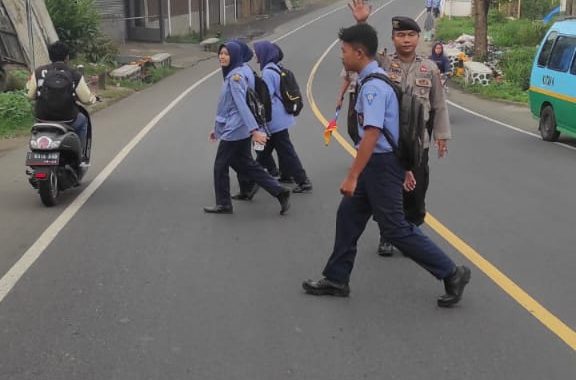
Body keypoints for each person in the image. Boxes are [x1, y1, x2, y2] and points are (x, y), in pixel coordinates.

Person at [301, 23, 470, 308]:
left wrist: (353, 175)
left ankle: (452, 273)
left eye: (344, 52)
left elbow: (373, 133)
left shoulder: (374, 88)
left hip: (378, 166)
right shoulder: (376, 78)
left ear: (358, 52)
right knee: (348, 217)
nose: (342, 57)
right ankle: (336, 278)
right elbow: (394, 130)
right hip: (380, 164)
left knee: (395, 228)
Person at [349, 1, 452, 257]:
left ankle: (412, 233)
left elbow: (438, 105)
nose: (406, 40)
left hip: (417, 143)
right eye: (400, 35)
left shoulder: (430, 68)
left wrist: (441, 136)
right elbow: (364, 50)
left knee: (416, 195)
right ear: (393, 38)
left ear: (418, 38)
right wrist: (362, 22)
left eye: (410, 35)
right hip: (391, 143)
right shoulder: (383, 62)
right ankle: (388, 235)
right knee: (390, 194)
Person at [204, 41, 291, 215]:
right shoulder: (245, 70)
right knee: (244, 163)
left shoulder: (235, 78)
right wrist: (218, 129)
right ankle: (279, 191)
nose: (222, 56)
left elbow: (241, 105)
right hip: (239, 127)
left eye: (227, 54)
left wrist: (254, 131)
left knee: (220, 166)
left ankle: (224, 204)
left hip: (236, 129)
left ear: (235, 56)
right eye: (220, 53)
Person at [242, 40, 312, 195]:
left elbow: (265, 97)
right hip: (281, 118)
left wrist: (259, 120)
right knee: (271, 150)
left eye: (258, 53)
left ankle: (303, 180)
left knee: (277, 151)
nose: (256, 56)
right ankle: (284, 175)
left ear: (264, 54)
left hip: (274, 120)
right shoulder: (276, 68)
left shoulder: (267, 72)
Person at [26, 41, 97, 159]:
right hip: (68, 118)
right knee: (83, 120)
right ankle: (80, 155)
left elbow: (30, 95)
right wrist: (93, 98)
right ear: (67, 57)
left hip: (42, 117)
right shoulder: (74, 74)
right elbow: (86, 99)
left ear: (50, 56)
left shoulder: (38, 72)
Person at [336, 68, 360, 145]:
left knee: (361, 129)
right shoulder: (350, 59)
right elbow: (348, 78)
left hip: (364, 93)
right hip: (353, 93)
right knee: (351, 129)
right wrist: (340, 96)